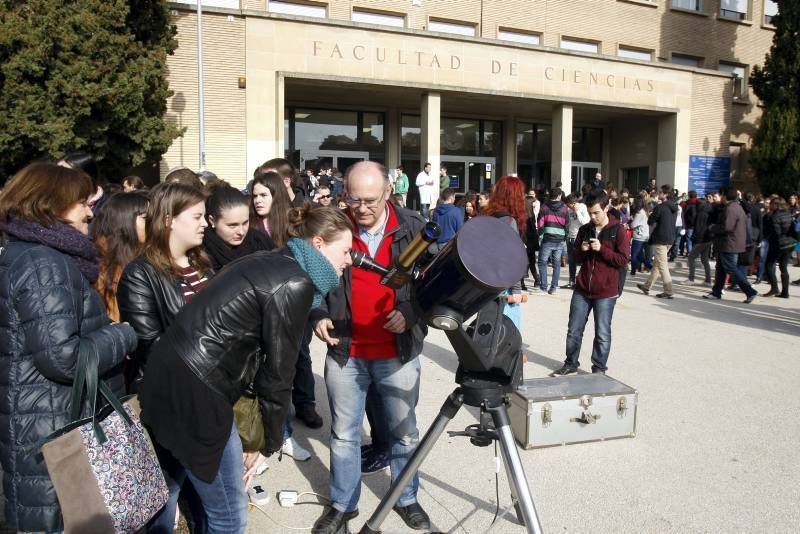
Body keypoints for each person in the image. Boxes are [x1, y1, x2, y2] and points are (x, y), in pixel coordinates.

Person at [139, 206, 352, 533]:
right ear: (319, 244)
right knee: (229, 517)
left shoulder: (277, 259)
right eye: (346, 251)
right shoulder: (294, 282)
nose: (350, 260)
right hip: (198, 396)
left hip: (168, 379)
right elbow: (279, 376)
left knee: (170, 494)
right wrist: (265, 441)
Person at [0, 163, 137, 533]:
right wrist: (122, 334)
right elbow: (64, 358)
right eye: (81, 203)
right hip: (52, 427)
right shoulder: (44, 263)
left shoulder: (32, 253)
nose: (90, 212)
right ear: (51, 205)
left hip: (44, 418)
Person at [311, 161, 430, 534]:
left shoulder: (415, 229)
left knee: (404, 432)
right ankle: (343, 504)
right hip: (347, 351)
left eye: (370, 201)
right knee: (344, 435)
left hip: (397, 352)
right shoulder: (335, 226)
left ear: (389, 193)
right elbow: (311, 276)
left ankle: (405, 497)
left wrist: (410, 312)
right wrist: (316, 313)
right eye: (353, 199)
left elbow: (434, 288)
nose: (361, 209)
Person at [117, 182, 212, 532]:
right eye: (198, 216)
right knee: (165, 490)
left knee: (207, 497)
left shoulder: (202, 263)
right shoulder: (141, 273)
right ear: (169, 219)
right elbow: (151, 344)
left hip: (209, 398)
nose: (206, 223)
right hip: (170, 401)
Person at [552, 189, 630, 376]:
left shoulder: (618, 230)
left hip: (606, 290)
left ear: (606, 208)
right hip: (583, 287)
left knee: (602, 334)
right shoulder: (584, 229)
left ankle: (599, 369)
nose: (593, 216)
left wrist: (602, 249)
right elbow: (576, 259)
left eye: (596, 212)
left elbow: (622, 260)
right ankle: (571, 363)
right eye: (590, 212)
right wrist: (583, 249)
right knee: (573, 330)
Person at [92, 191, 150, 322]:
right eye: (146, 218)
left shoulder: (147, 255)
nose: (153, 224)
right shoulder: (99, 265)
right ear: (124, 219)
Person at [481, 176, 527, 329]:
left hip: (485, 283)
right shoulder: (508, 221)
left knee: (488, 332)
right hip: (503, 286)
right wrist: (517, 290)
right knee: (507, 338)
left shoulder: (487, 216)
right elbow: (511, 259)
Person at [203, 184, 276, 271]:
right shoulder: (201, 254)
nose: (241, 232)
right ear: (212, 221)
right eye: (233, 225)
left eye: (245, 223)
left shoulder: (260, 241)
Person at [704, 187, 758, 303]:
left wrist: (712, 227)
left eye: (721, 195)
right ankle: (716, 292)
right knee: (721, 269)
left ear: (724, 195)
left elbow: (727, 227)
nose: (720, 197)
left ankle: (750, 291)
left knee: (731, 269)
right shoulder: (736, 207)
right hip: (730, 243)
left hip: (729, 243)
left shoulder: (730, 209)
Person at [637, 185, 677, 299]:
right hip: (670, 238)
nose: (658, 194)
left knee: (662, 265)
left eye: (660, 192)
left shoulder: (660, 207)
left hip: (660, 239)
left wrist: (650, 214)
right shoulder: (674, 207)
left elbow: (650, 221)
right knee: (657, 264)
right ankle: (647, 286)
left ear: (665, 194)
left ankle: (668, 291)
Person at [537, 187, 569, 294]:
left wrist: (540, 237)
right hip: (560, 238)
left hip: (547, 238)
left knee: (542, 262)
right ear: (559, 196)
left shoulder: (544, 207)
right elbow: (567, 224)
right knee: (556, 264)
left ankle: (543, 287)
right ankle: (553, 287)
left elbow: (540, 223)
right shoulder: (565, 208)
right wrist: (565, 236)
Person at [761, 196, 794, 298]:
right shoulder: (788, 214)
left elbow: (776, 232)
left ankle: (774, 288)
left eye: (771, 203)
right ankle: (785, 292)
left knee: (769, 265)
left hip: (778, 244)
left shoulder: (774, 216)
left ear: (774, 205)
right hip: (791, 243)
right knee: (783, 267)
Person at [250, 170, 291, 247]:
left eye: (263, 195)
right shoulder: (249, 224)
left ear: (277, 196)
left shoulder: (292, 224)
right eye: (255, 196)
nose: (257, 200)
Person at [684, 193, 713, 285]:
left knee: (691, 257)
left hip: (700, 239)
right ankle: (708, 280)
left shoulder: (700, 214)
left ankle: (691, 279)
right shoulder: (709, 212)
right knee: (705, 259)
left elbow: (698, 228)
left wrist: (695, 238)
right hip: (708, 239)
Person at [564, 194, 590, 289]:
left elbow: (585, 222)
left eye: (569, 205)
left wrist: (577, 212)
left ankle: (581, 282)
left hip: (578, 238)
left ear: (574, 203)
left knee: (580, 260)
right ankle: (571, 281)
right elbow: (570, 223)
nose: (568, 207)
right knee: (571, 261)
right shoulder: (569, 210)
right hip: (570, 237)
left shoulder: (582, 208)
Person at [629, 196, 651, 276]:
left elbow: (633, 225)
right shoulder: (645, 211)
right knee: (640, 255)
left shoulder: (639, 214)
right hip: (645, 235)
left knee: (634, 255)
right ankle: (649, 266)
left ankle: (633, 271)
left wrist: (631, 220)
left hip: (639, 236)